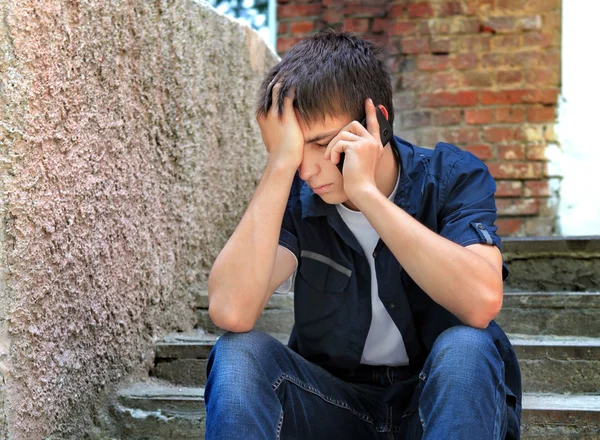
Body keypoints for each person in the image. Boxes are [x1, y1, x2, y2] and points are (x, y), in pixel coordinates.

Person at [204, 29, 521, 439]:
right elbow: (231, 311)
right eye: (294, 151)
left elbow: (480, 303)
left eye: (320, 144)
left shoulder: (451, 177)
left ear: (379, 124)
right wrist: (278, 166)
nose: (307, 169)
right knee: (238, 354)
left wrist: (368, 195)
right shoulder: (296, 193)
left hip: (439, 404)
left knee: (468, 348)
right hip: (333, 406)